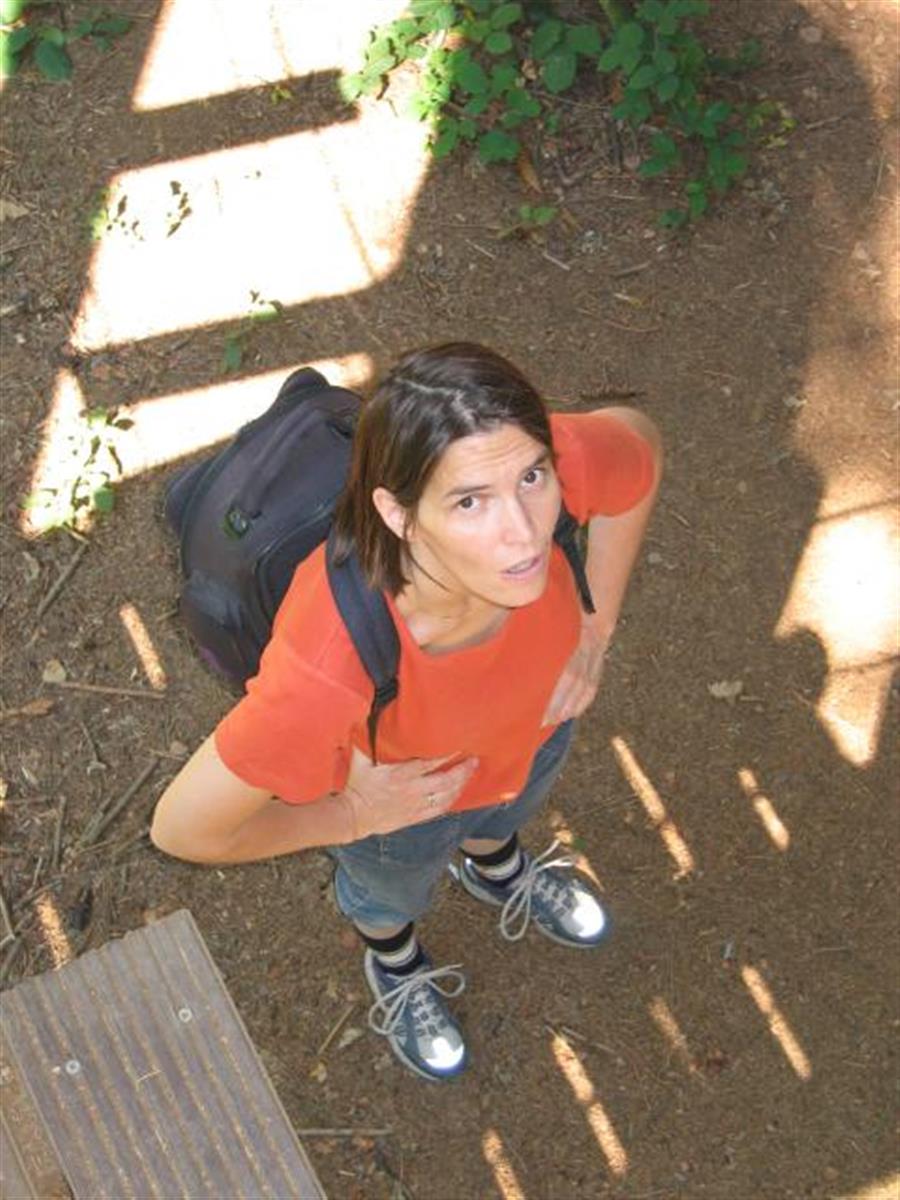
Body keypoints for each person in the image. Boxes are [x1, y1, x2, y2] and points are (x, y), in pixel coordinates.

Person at [151, 342, 662, 1083]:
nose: (523, 532)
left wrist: (595, 625)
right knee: (390, 893)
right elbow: (183, 828)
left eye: (532, 478)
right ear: (399, 514)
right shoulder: (331, 660)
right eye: (469, 503)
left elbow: (637, 445)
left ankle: (496, 867)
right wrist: (352, 816)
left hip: (537, 732)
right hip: (404, 806)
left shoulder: (513, 455)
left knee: (507, 810)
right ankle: (395, 961)